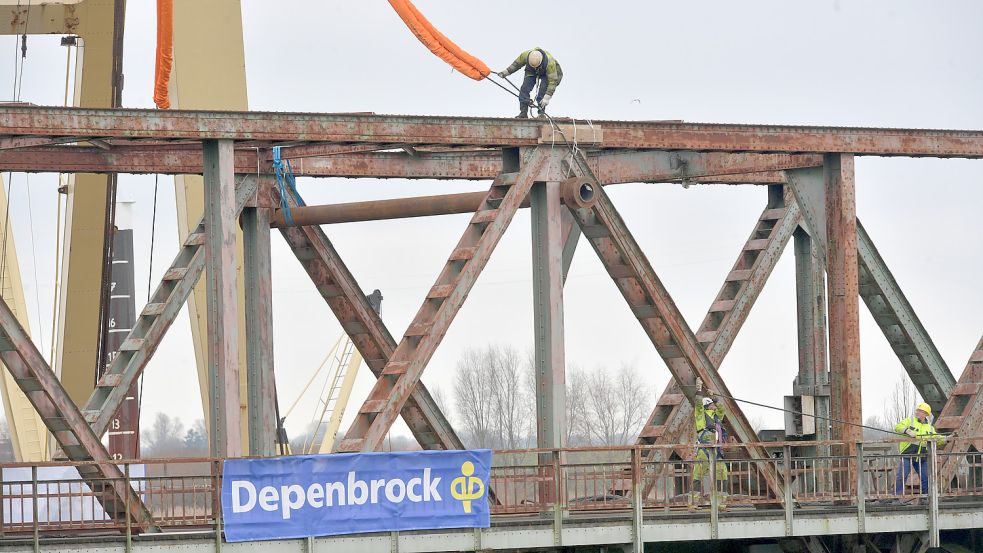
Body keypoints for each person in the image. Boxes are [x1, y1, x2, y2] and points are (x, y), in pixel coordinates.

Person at [690, 378, 729, 511]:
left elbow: (722, 409)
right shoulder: (701, 415)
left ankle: (721, 504)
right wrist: (699, 390)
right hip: (704, 449)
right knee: (698, 475)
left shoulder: (717, 416)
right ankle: (694, 503)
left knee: (722, 474)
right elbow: (698, 404)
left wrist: (715, 398)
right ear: (708, 406)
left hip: (716, 450)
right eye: (712, 404)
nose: (714, 406)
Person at [894, 402, 945, 496]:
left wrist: (946, 439)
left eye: (920, 411)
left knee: (926, 477)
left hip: (922, 456)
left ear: (926, 414)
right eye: (917, 410)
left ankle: (925, 498)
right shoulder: (910, 421)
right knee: (902, 476)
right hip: (907, 454)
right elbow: (898, 427)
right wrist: (907, 431)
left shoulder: (929, 427)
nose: (917, 412)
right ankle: (897, 497)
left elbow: (936, 438)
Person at [497, 48, 563, 119]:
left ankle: (541, 113)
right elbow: (516, 65)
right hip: (531, 70)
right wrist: (506, 72)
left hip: (547, 74)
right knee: (524, 89)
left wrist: (547, 97)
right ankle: (523, 113)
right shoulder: (525, 55)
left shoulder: (550, 64)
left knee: (542, 91)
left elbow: (552, 82)